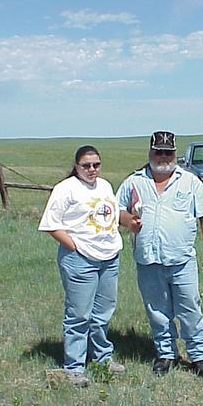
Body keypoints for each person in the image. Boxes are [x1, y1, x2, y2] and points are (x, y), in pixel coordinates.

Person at [117, 131, 203, 377]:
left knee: (190, 307)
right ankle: (165, 354)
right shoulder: (134, 182)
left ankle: (198, 356)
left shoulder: (190, 182)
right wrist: (128, 220)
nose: (163, 157)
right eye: (158, 152)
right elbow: (117, 210)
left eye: (168, 152)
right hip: (148, 259)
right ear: (150, 153)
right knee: (157, 310)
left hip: (181, 258)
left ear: (175, 154)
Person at [39, 145, 125, 387]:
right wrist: (75, 247)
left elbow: (112, 214)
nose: (91, 169)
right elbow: (51, 224)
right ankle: (74, 367)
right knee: (79, 315)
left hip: (109, 258)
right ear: (76, 166)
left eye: (96, 164)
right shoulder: (65, 189)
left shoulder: (105, 186)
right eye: (86, 165)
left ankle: (101, 358)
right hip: (80, 260)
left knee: (102, 313)